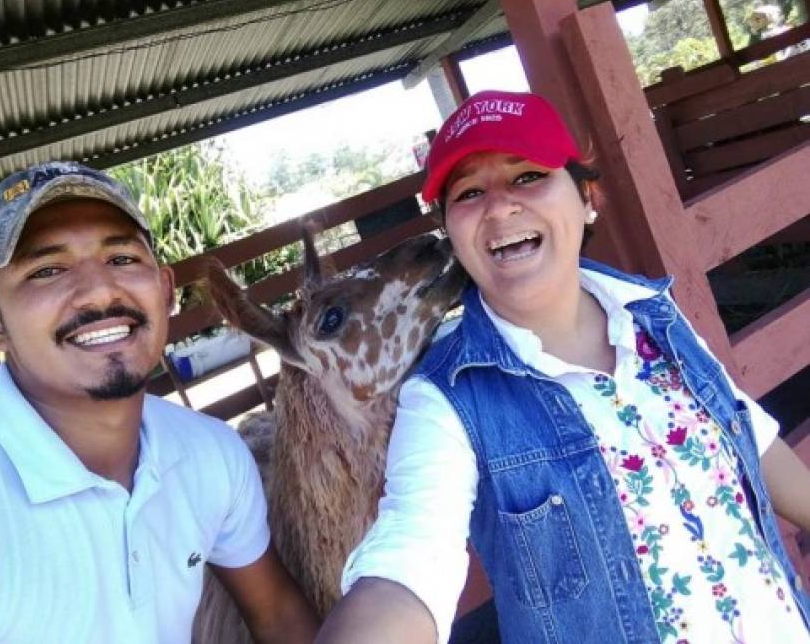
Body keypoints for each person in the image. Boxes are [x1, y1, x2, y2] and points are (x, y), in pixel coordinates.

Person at [317, 91, 810, 643]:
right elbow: (411, 552)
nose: (499, 208)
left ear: (587, 197)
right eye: (470, 192)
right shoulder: (446, 399)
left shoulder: (653, 314)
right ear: (452, 232)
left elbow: (744, 429)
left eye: (527, 176)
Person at [0, 162, 318, 643]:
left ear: (165, 291)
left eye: (122, 259)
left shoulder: (212, 454)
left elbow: (275, 613)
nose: (100, 290)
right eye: (48, 270)